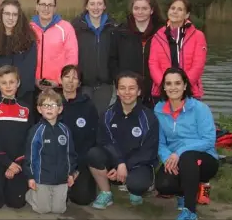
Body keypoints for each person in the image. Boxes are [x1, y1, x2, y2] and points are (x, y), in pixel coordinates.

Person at [154, 67, 219, 220]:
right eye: (168, 84)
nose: (173, 87)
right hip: (175, 159)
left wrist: (180, 152)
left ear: (184, 86)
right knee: (163, 185)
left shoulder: (200, 109)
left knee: (188, 157)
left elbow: (209, 140)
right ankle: (186, 191)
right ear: (163, 87)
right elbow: (160, 142)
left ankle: (190, 211)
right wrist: (168, 157)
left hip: (205, 160)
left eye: (177, 83)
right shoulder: (158, 110)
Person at [88, 71, 159, 209]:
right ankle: (106, 192)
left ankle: (136, 188)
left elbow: (148, 152)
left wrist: (125, 166)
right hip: (116, 163)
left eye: (132, 88)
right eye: (122, 88)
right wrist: (118, 164)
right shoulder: (108, 114)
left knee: (137, 185)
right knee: (93, 154)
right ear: (117, 91)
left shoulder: (149, 118)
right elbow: (104, 142)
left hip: (138, 164)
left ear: (139, 91)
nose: (127, 92)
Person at [0, 65, 34, 209]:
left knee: (17, 204)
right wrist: (6, 163)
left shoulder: (26, 109)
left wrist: (15, 164)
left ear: (18, 83)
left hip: (18, 163)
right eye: (4, 83)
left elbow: (30, 140)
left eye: (12, 82)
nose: (8, 86)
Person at [24, 88, 77, 214]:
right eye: (45, 105)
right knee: (42, 210)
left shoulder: (65, 130)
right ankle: (30, 195)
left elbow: (70, 154)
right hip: (42, 179)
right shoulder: (36, 131)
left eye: (53, 105)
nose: (49, 108)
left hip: (61, 179)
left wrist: (70, 173)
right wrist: (31, 177)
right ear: (39, 109)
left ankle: (53, 197)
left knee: (59, 210)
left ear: (59, 109)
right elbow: (30, 156)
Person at [110, 0, 164, 109]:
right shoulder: (120, 32)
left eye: (144, 8)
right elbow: (112, 60)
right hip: (128, 92)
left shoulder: (162, 32)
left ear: (152, 11)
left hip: (155, 91)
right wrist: (120, 82)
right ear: (132, 10)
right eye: (136, 8)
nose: (140, 12)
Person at [149, 0, 207, 100]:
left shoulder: (198, 36)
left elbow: (198, 65)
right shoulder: (157, 36)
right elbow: (153, 64)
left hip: (190, 92)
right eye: (173, 8)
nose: (175, 11)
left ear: (187, 15)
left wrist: (182, 85)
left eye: (180, 9)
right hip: (163, 92)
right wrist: (165, 85)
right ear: (168, 11)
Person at [73, 0, 118, 115]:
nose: (96, 8)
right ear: (86, 6)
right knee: (83, 118)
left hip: (105, 84)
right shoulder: (76, 27)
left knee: (101, 118)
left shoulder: (114, 28)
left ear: (104, 6)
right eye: (92, 4)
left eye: (99, 4)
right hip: (83, 84)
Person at [59, 65, 99, 206]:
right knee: (57, 200)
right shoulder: (51, 103)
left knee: (83, 199)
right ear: (60, 79)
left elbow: (91, 141)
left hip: (80, 161)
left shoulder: (88, 106)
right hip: (56, 161)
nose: (70, 81)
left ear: (79, 83)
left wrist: (76, 169)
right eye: (67, 77)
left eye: (75, 78)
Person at [0, 0, 37, 106]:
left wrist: (14, 91)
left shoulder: (28, 39)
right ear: (0, 15)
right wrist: (0, 89)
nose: (10, 18)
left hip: (22, 96)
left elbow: (28, 69)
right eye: (7, 13)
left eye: (14, 14)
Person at [30, 0, 78, 91]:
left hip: (58, 86)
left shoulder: (66, 28)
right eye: (43, 4)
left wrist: (59, 80)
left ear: (55, 8)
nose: (46, 8)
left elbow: (72, 57)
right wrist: (32, 79)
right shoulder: (29, 28)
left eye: (50, 5)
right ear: (37, 7)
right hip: (32, 85)